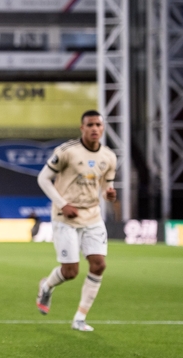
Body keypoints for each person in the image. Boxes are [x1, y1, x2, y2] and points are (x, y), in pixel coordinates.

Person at [35, 110, 117, 332]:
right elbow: (43, 178)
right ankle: (47, 285)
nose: (94, 129)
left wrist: (108, 194)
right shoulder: (66, 152)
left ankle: (79, 318)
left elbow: (105, 188)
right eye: (89, 125)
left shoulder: (109, 157)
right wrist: (62, 204)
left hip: (92, 216)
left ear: (102, 128)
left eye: (98, 125)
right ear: (82, 128)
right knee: (70, 271)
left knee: (99, 265)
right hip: (65, 217)